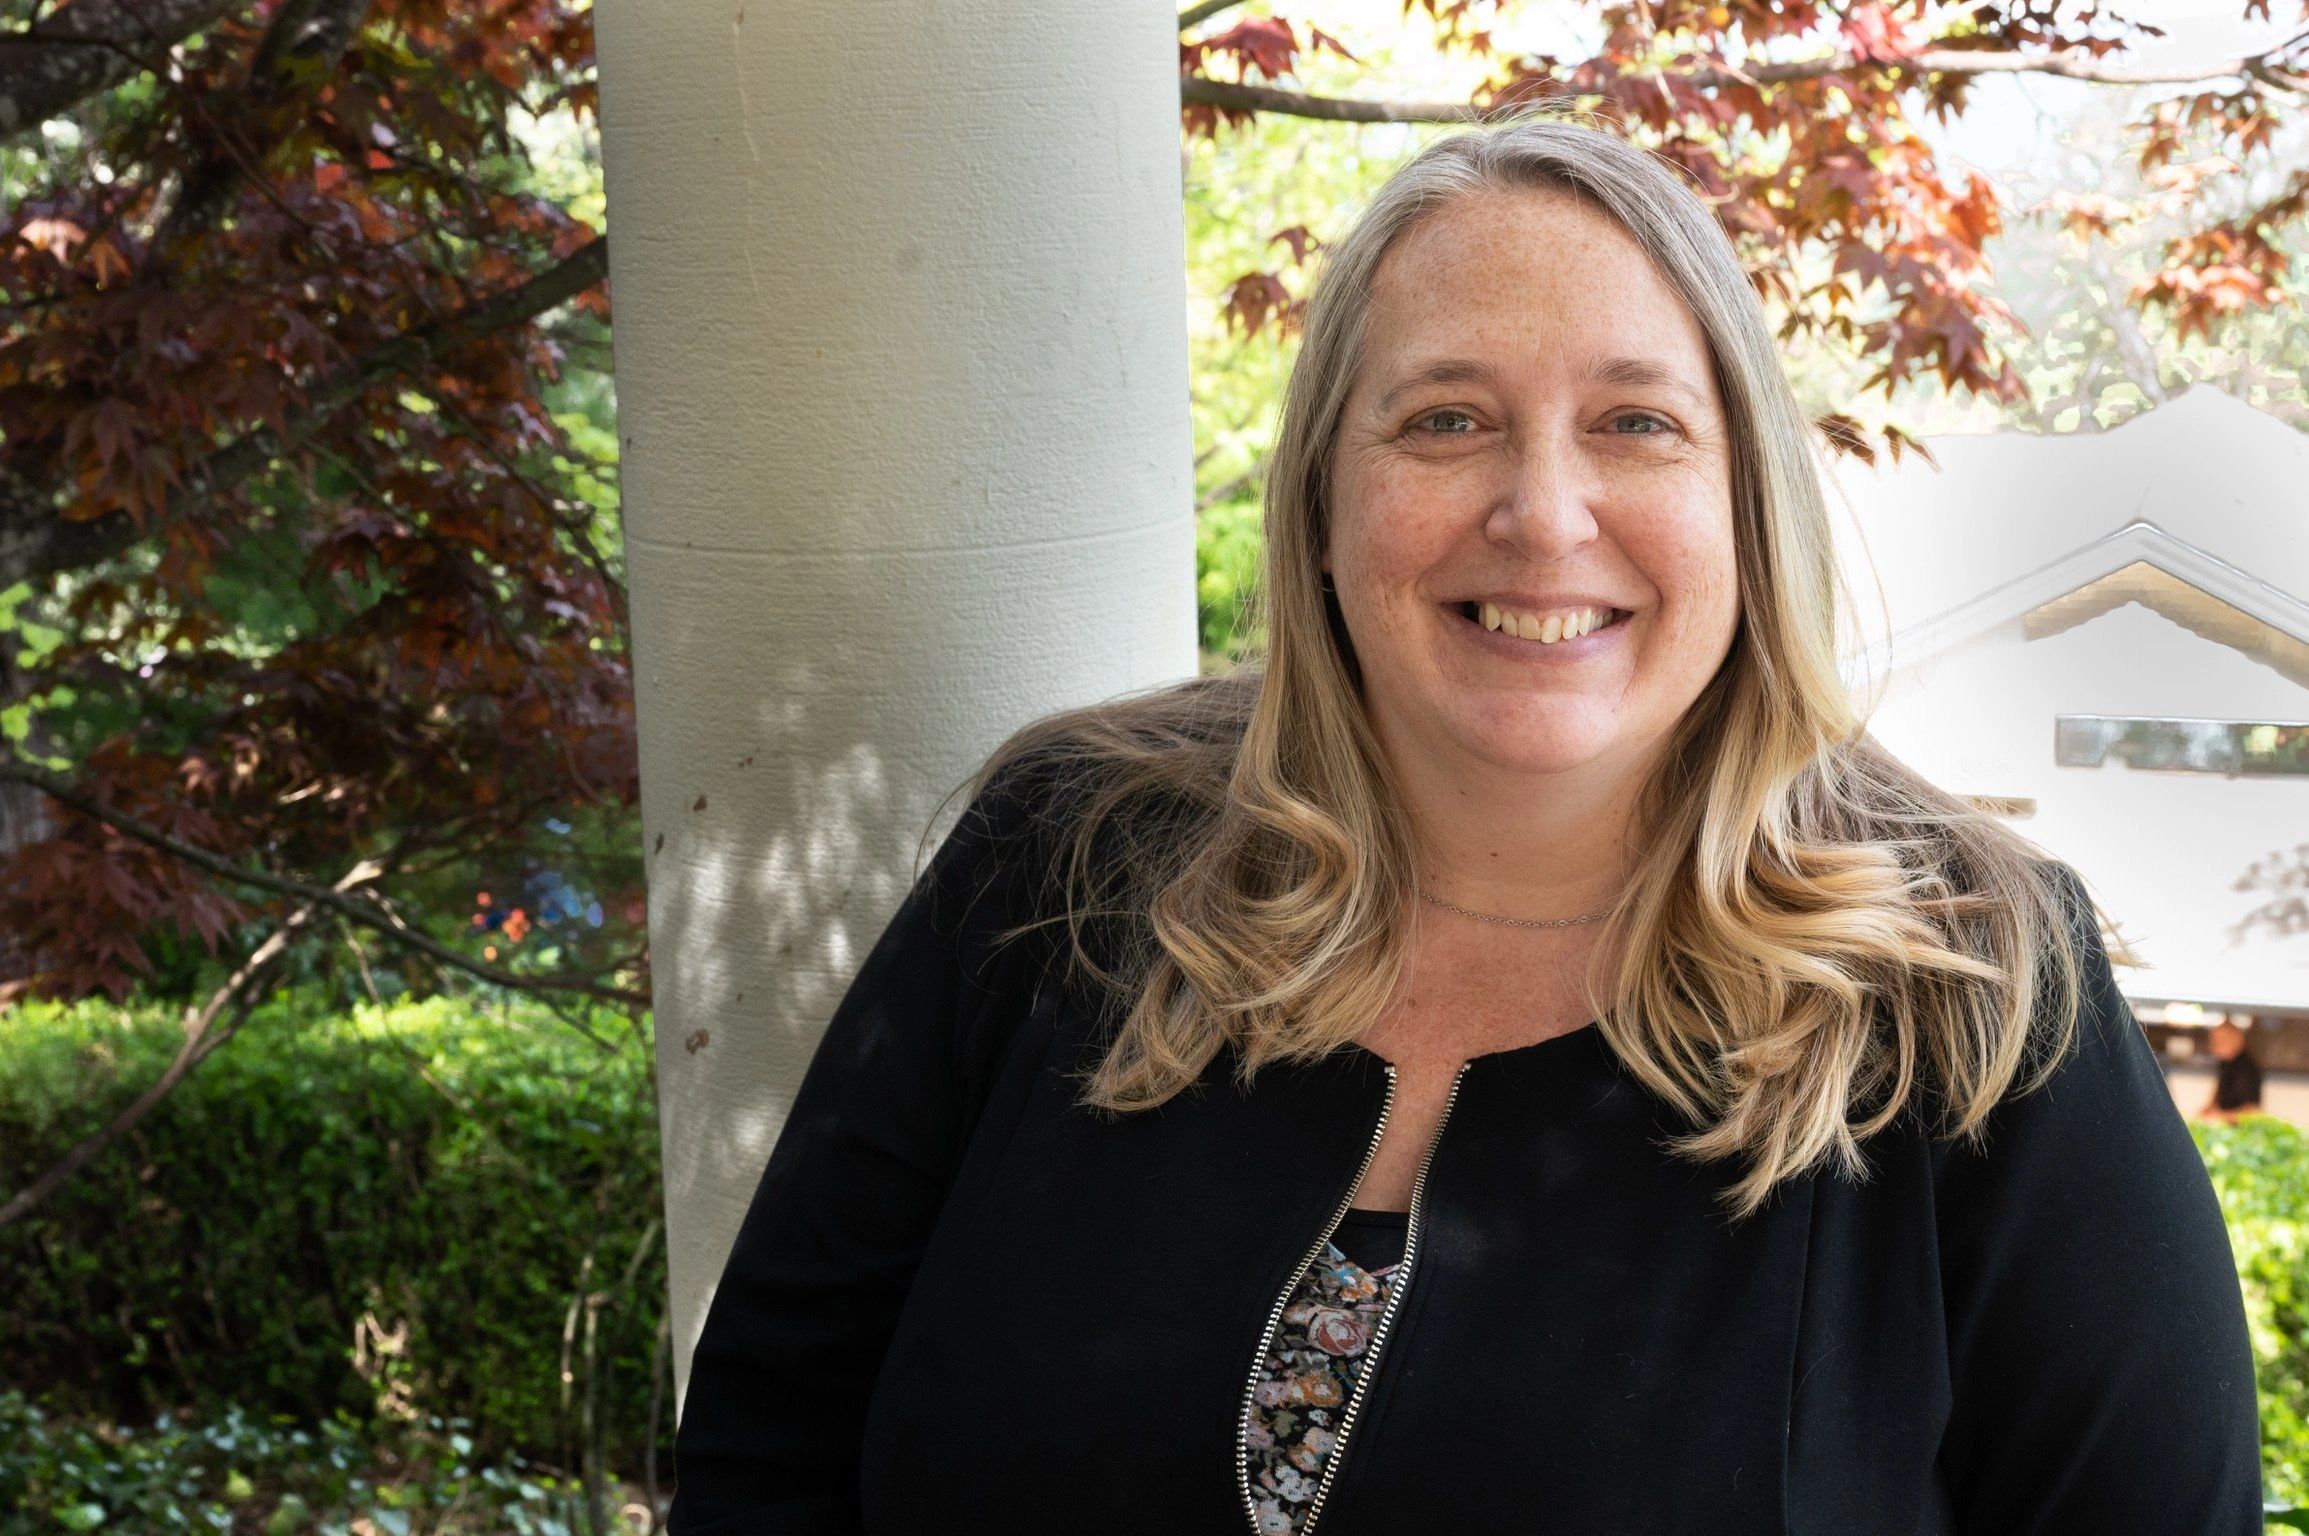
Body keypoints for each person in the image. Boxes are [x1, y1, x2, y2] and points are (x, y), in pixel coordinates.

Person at [667, 111, 2262, 1534]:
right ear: (1321, 500)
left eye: (1636, 422)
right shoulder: (1061, 868)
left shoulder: (1977, 1001)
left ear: (1745, 506)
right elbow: (765, 1456)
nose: (1540, 513)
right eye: (1444, 420)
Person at [2199, 1019, 2266, 1123]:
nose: (2214, 1047)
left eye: (2219, 1041)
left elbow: (2252, 1112)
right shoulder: (2225, 1064)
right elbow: (2216, 1101)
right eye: (2214, 1042)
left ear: (2237, 1039)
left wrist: (2219, 1116)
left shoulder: (2246, 1069)